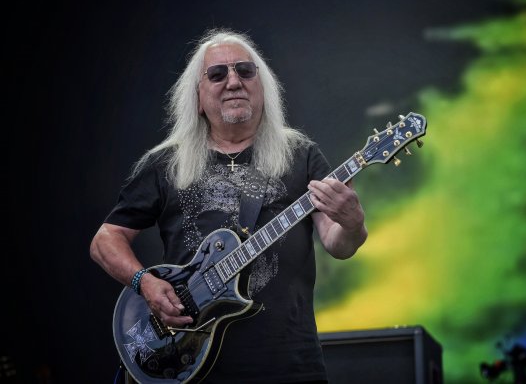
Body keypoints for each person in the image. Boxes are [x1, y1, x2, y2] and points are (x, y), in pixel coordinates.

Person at [90, 28, 368, 383]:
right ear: (198, 95)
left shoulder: (300, 155)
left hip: (289, 363)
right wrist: (144, 282)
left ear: (262, 86)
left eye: (245, 71)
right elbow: (105, 241)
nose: (233, 81)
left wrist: (354, 221)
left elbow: (338, 244)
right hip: (189, 362)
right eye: (217, 74)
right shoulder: (166, 164)